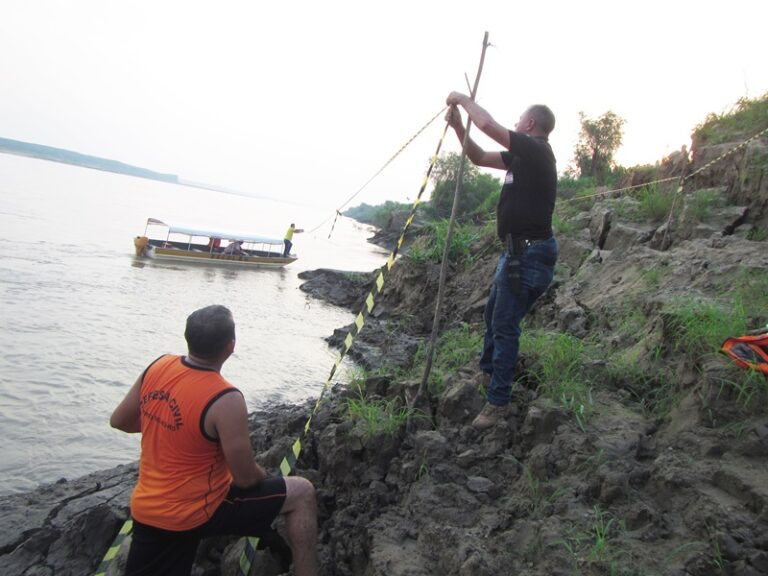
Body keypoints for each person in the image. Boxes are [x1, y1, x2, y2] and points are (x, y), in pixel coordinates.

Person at [110, 305, 319, 576]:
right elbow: (245, 479)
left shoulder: (158, 366)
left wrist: (173, 429)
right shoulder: (225, 398)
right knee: (302, 492)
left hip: (146, 509)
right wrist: (264, 475)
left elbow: (120, 421)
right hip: (193, 513)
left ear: (188, 337)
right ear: (231, 346)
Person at [445, 92, 558, 430]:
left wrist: (462, 99)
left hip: (530, 254)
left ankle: (498, 404)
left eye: (520, 118)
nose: (516, 122)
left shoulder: (536, 150)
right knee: (493, 315)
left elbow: (487, 125)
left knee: (506, 326)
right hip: (516, 252)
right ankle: (488, 373)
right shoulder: (521, 158)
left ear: (530, 124)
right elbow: (478, 156)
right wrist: (457, 128)